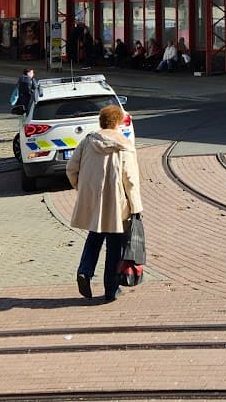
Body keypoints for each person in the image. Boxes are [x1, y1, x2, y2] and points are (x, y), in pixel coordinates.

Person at [66, 104, 142, 304]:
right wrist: (135, 206)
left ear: (101, 121)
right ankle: (111, 289)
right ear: (117, 123)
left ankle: (85, 271)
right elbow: (130, 179)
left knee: (94, 236)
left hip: (93, 200)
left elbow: (71, 168)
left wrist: (81, 188)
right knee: (115, 247)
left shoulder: (87, 141)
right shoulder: (124, 145)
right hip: (117, 204)